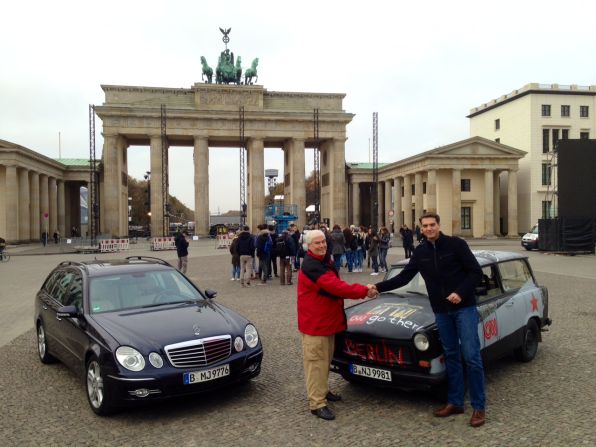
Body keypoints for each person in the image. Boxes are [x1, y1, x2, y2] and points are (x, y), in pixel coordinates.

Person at [373, 212, 486, 427]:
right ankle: (455, 402)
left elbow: (475, 273)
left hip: (464, 308)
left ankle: (479, 407)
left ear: (438, 225)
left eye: (432, 225)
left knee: (471, 357)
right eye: (425, 226)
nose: (429, 228)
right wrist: (377, 288)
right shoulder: (421, 251)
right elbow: (404, 277)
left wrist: (460, 292)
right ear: (421, 229)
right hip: (441, 311)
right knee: (451, 355)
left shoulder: (456, 245)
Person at [297, 229, 378, 421]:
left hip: (326, 321)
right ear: (309, 246)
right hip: (315, 324)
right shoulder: (312, 266)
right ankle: (317, 403)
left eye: (323, 242)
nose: (322, 245)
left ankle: (322, 391)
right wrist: (364, 290)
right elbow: (336, 287)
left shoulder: (323, 261)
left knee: (325, 361)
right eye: (317, 243)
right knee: (316, 363)